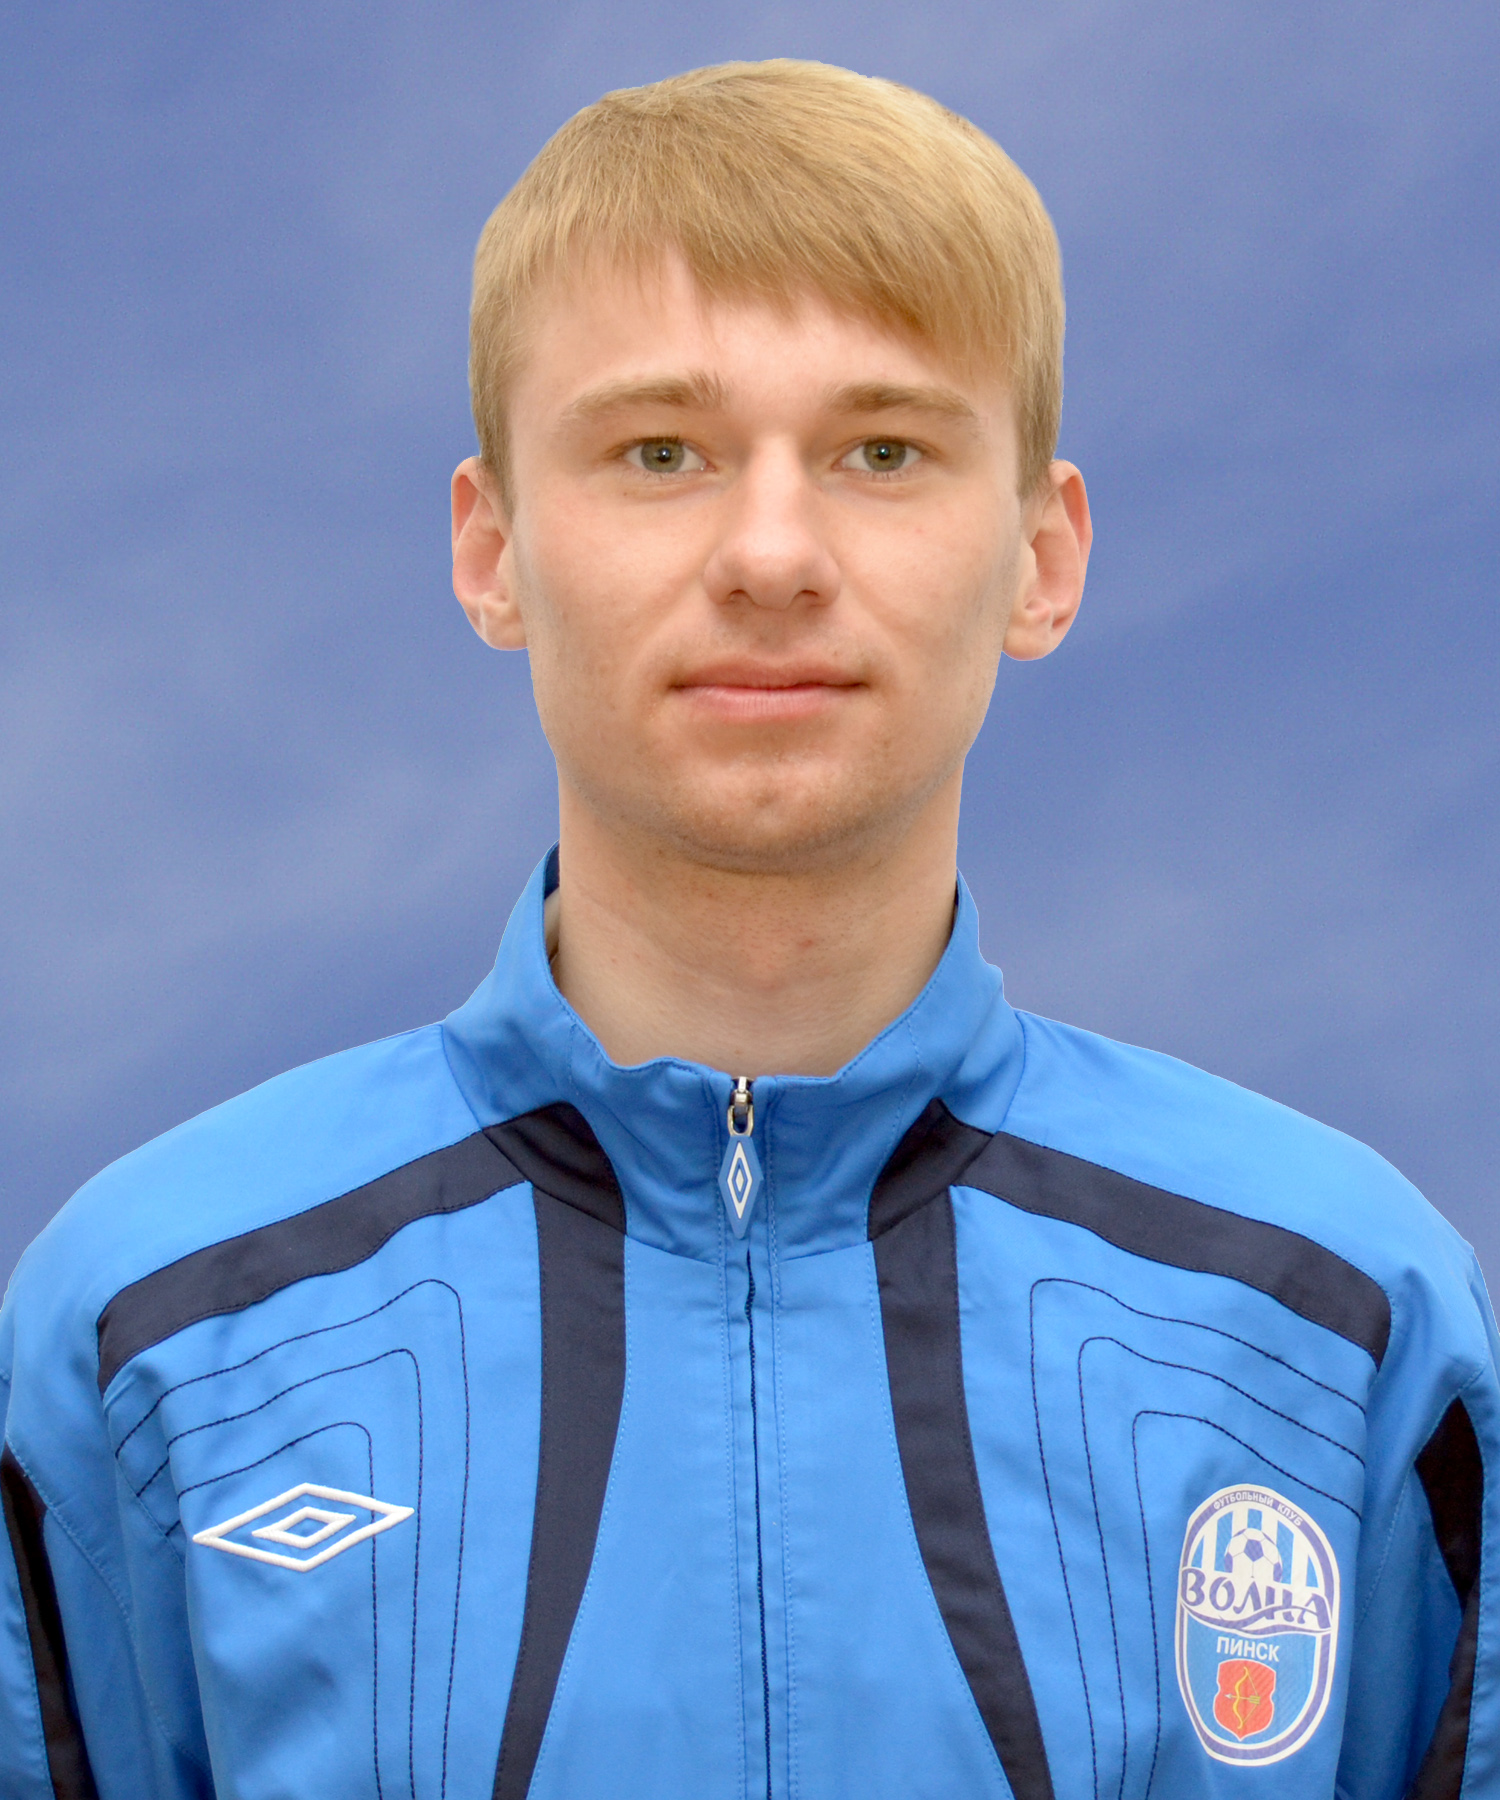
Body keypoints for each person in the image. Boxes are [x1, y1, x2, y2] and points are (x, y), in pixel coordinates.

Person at [1, 59, 1493, 1800]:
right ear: (492, 550)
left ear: (1041, 556)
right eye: (661, 452)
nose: (772, 554)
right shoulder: (162, 1329)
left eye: (882, 450)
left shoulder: (1334, 1319)